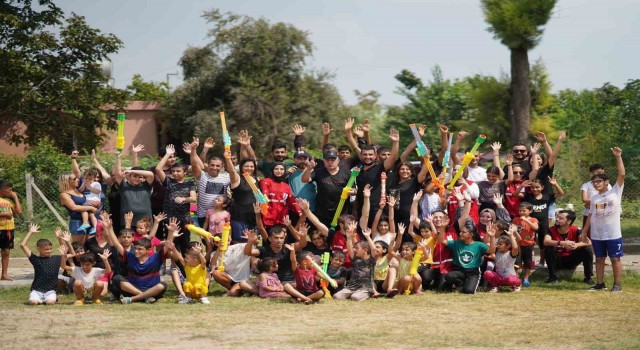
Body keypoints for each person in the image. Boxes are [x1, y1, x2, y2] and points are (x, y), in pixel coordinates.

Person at [103, 214, 173, 304]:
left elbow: (168, 245)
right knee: (117, 278)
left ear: (148, 250)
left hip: (152, 290)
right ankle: (145, 297)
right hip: (133, 290)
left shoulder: (156, 258)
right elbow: (117, 244)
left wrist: (170, 232)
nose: (136, 251)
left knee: (162, 285)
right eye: (135, 248)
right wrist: (109, 228)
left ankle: (133, 299)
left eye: (140, 249)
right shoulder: (130, 257)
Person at [583, 147, 625, 293]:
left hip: (613, 234)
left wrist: (618, 157)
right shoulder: (594, 198)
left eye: (599, 181)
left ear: (607, 181)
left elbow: (622, 174)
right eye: (594, 182)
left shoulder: (615, 191)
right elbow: (590, 215)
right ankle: (600, 284)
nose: (596, 184)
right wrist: (584, 231)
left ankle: (617, 284)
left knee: (615, 259)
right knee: (599, 259)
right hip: (597, 234)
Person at [441, 188, 496, 294]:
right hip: (461, 268)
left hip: (475, 266)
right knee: (450, 276)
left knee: (469, 291)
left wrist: (491, 236)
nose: (462, 233)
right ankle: (460, 284)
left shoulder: (481, 234)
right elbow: (464, 217)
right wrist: (464, 201)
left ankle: (471, 284)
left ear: (471, 234)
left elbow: (489, 249)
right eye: (482, 216)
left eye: (488, 217)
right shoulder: (466, 232)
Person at [156, 144, 197, 254]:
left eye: (178, 171)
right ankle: (170, 268)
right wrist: (168, 154)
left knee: (184, 246)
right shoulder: (168, 181)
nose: (175, 173)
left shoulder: (189, 183)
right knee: (169, 246)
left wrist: (184, 199)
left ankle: (184, 267)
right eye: (173, 171)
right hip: (169, 219)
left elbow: (193, 198)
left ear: (185, 172)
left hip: (184, 219)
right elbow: (158, 168)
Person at [20, 223, 66, 305]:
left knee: (50, 302)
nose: (49, 251)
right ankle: (37, 298)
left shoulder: (56, 259)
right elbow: (22, 245)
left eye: (50, 249)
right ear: (38, 249)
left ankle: (53, 298)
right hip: (37, 290)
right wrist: (30, 232)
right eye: (46, 249)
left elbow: (64, 249)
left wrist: (59, 237)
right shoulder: (35, 259)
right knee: (34, 302)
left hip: (51, 291)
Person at [188, 138, 230, 227]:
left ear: (221, 167)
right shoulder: (202, 176)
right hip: (203, 215)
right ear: (208, 164)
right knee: (205, 240)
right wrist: (193, 150)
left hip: (219, 216)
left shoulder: (226, 177)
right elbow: (194, 164)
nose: (214, 167)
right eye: (212, 165)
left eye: (217, 166)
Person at [544, 210, 593, 284]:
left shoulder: (576, 230)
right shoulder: (551, 230)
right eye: (557, 217)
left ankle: (588, 277)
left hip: (571, 260)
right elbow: (546, 241)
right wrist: (562, 243)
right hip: (558, 260)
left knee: (587, 248)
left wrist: (577, 245)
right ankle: (552, 277)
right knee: (548, 248)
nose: (557, 219)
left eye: (561, 218)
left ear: (569, 221)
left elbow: (588, 242)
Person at [333, 224, 376, 302]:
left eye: (357, 248)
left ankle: (368, 293)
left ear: (365, 249)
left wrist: (368, 236)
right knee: (336, 296)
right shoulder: (355, 258)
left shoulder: (371, 259)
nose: (355, 250)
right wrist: (349, 237)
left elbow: (374, 249)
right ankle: (354, 294)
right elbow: (349, 248)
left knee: (355, 297)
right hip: (351, 287)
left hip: (366, 288)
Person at [113, 152, 155, 229]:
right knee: (128, 241)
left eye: (140, 177)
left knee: (146, 241)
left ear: (143, 178)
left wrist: (132, 171)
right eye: (135, 176)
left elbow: (151, 174)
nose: (137, 179)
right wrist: (118, 157)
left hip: (145, 223)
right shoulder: (124, 186)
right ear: (129, 177)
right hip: (128, 222)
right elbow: (118, 174)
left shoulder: (146, 185)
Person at [58, 173, 98, 244]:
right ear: (67, 181)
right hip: (77, 222)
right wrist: (90, 208)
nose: (78, 180)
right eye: (74, 179)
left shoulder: (77, 190)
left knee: (90, 246)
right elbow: (74, 207)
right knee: (79, 247)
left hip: (89, 221)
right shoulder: (64, 195)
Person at [260, 162, 302, 227]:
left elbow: (292, 201)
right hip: (268, 218)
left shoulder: (286, 186)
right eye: (276, 169)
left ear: (285, 171)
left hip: (282, 219)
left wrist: (300, 212)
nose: (279, 171)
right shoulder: (266, 181)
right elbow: (264, 194)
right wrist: (264, 201)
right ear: (272, 170)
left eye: (281, 169)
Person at [484, 224, 521, 292]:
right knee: (487, 273)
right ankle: (495, 286)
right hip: (499, 278)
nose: (498, 246)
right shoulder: (496, 252)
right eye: (497, 244)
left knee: (512, 280)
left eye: (500, 244)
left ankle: (516, 285)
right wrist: (492, 236)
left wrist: (511, 235)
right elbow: (486, 245)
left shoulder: (511, 254)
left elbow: (515, 248)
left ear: (508, 246)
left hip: (509, 278)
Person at [512, 202, 539, 287]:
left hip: (529, 244)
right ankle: (516, 278)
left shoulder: (533, 219)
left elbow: (536, 228)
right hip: (518, 244)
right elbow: (513, 230)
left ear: (530, 211)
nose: (521, 212)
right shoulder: (516, 219)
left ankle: (526, 278)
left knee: (528, 262)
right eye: (520, 210)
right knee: (517, 262)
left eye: (524, 210)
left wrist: (526, 220)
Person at [0, 179, 22, 280]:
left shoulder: (8, 201)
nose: (11, 192)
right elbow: (7, 214)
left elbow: (19, 212)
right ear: (2, 189)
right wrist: (4, 214)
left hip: (8, 229)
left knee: (6, 251)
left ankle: (4, 275)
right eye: (9, 190)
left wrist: (15, 197)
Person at [580, 164, 610, 228]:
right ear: (591, 173)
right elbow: (584, 199)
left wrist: (596, 204)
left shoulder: (607, 185)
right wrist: (600, 203)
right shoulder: (586, 185)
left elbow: (609, 198)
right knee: (588, 232)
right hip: (588, 212)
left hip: (604, 212)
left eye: (602, 172)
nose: (601, 174)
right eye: (599, 172)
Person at [76, 168, 102, 234]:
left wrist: (89, 188)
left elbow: (98, 191)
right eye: (86, 178)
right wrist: (84, 185)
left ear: (94, 178)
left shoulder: (96, 184)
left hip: (93, 200)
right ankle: (95, 227)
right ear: (84, 177)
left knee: (83, 209)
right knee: (91, 214)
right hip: (87, 200)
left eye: (90, 179)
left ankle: (85, 223)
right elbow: (80, 190)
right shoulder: (84, 183)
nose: (88, 180)